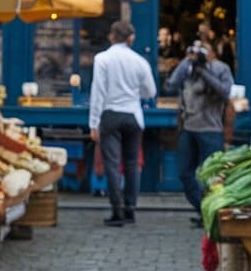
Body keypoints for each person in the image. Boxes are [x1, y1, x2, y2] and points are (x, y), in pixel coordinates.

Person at [89, 21, 156, 227]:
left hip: (110, 114)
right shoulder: (139, 61)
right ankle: (130, 208)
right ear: (130, 38)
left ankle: (117, 210)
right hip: (133, 115)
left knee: (112, 164)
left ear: (111, 37)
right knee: (132, 163)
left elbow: (97, 92)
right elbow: (150, 92)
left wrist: (93, 122)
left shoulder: (102, 59)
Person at [166, 38, 233, 226]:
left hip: (211, 130)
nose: (198, 55)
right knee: (184, 173)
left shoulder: (221, 69)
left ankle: (213, 216)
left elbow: (225, 92)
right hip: (188, 128)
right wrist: (186, 63)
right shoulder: (187, 68)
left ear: (212, 52)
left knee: (211, 177)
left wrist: (203, 71)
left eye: (202, 50)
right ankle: (204, 210)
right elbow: (170, 86)